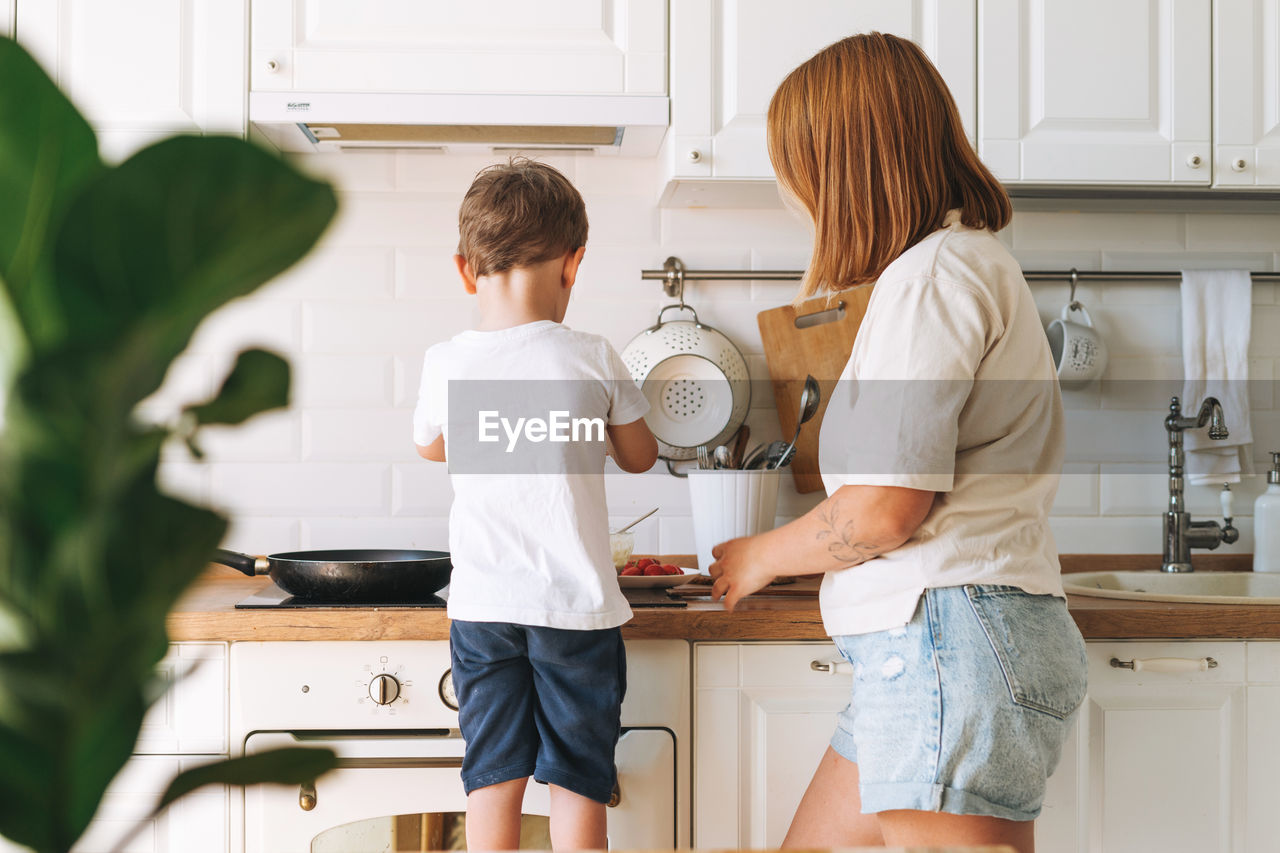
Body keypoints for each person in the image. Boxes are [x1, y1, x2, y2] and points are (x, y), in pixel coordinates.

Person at [707, 33, 1087, 853]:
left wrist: (761, 553)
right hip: (937, 643)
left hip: (946, 638)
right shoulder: (947, 270)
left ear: (837, 166)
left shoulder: (934, 278)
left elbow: (884, 509)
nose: (790, 191)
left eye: (796, 166)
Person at [413, 158, 658, 851]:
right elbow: (640, 455)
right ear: (572, 264)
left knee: (492, 773)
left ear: (466, 270)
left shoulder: (446, 360)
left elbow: (433, 447)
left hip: (484, 606)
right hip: (575, 608)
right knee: (578, 777)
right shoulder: (591, 355)